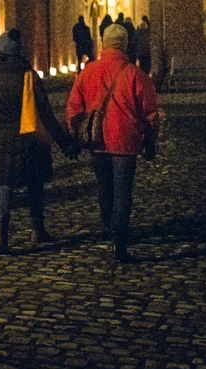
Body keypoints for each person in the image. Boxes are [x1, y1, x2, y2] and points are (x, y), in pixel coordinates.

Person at [67, 23, 160, 264]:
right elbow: (149, 114)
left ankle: (108, 227)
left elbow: (74, 108)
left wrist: (75, 135)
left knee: (104, 188)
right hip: (125, 143)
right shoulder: (136, 75)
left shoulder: (88, 72)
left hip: (97, 141)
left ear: (104, 44)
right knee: (122, 193)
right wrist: (150, 142)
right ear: (125, 45)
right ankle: (119, 242)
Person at [0, 30, 80, 255]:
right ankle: (38, 229)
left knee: (4, 185)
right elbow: (45, 112)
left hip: (3, 134)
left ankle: (1, 232)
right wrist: (64, 142)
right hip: (30, 135)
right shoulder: (28, 75)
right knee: (34, 184)